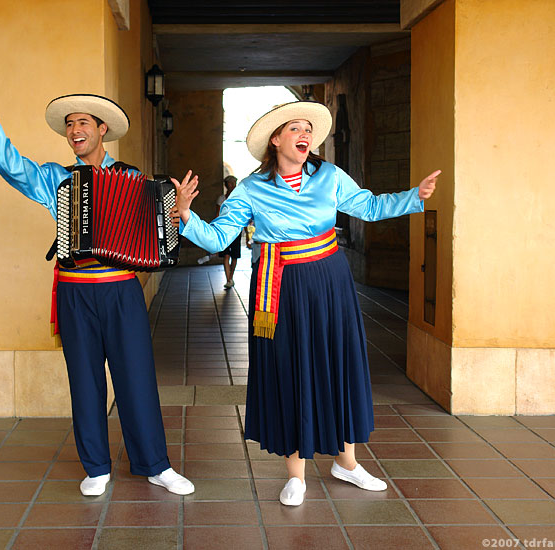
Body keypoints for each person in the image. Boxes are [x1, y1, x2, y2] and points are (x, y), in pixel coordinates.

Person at [172, 101, 438, 506]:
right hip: (282, 287)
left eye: (308, 130)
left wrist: (412, 197)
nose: (305, 135)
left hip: (331, 281)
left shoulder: (329, 176)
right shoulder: (250, 189)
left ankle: (346, 463)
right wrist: (187, 215)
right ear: (276, 139)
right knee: (291, 369)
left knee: (339, 363)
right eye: (295, 128)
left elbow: (367, 206)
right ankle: (295, 474)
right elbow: (218, 238)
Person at [0, 68, 194, 497]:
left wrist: (174, 209)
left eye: (82, 122)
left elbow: (160, 239)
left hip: (122, 290)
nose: (74, 130)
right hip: (74, 291)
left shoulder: (133, 178)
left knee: (136, 378)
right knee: (83, 380)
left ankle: (156, 465)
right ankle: (96, 467)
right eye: (69, 124)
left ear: (102, 130)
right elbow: (14, 168)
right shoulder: (56, 178)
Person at [216, 175, 242, 289]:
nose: (232, 186)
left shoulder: (239, 198)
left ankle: (231, 277)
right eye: (230, 183)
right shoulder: (221, 199)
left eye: (234, 183)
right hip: (224, 230)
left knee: (234, 256)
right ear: (226, 185)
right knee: (226, 255)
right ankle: (228, 279)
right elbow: (217, 215)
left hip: (236, 229)